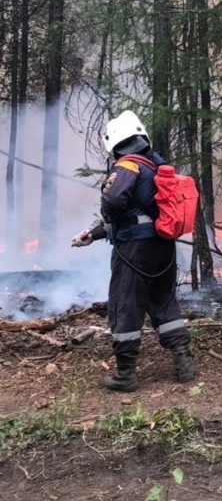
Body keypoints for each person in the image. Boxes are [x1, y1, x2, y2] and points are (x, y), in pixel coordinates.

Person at [70, 110, 196, 391]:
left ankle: (125, 374)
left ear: (114, 141)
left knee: (125, 303)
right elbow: (136, 213)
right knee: (164, 302)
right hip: (162, 246)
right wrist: (91, 236)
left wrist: (104, 210)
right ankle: (184, 363)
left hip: (135, 250)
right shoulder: (152, 167)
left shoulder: (127, 165)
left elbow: (114, 203)